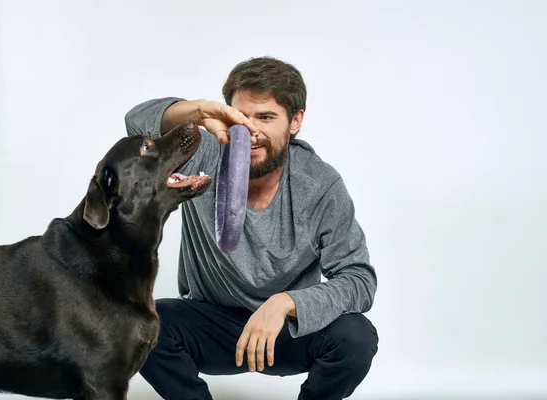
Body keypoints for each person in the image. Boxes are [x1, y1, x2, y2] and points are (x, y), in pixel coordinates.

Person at [124, 56, 378, 400]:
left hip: (286, 331)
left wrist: (286, 303)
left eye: (267, 117)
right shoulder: (206, 153)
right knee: (139, 323)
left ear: (295, 121)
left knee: (356, 337)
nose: (252, 130)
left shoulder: (320, 185)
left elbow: (358, 280)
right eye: (242, 117)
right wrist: (200, 112)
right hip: (213, 325)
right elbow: (137, 124)